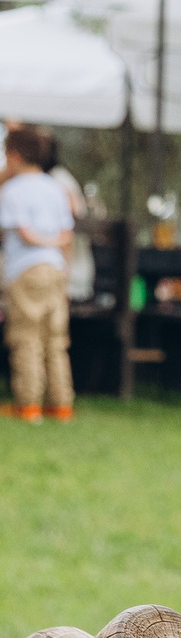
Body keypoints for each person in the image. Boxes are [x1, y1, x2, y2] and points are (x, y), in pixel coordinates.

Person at [1, 123, 76, 423]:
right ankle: (61, 405)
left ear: (16, 156)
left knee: (26, 337)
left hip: (25, 270)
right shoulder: (56, 188)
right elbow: (67, 235)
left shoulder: (12, 191)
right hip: (56, 269)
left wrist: (41, 241)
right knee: (56, 340)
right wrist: (65, 273)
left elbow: (22, 234)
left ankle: (29, 404)